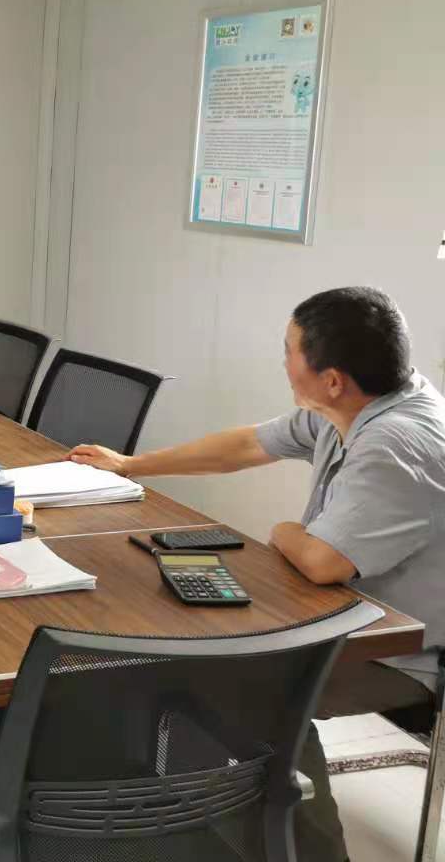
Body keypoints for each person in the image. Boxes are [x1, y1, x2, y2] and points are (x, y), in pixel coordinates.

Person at [71, 286, 445, 862]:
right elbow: (247, 444)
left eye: (289, 349)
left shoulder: (396, 442)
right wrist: (131, 465)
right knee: (194, 648)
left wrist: (284, 530)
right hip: (344, 618)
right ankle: (203, 813)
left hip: (403, 654)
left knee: (256, 684)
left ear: (333, 379)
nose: (283, 359)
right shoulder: (350, 408)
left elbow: (322, 562)